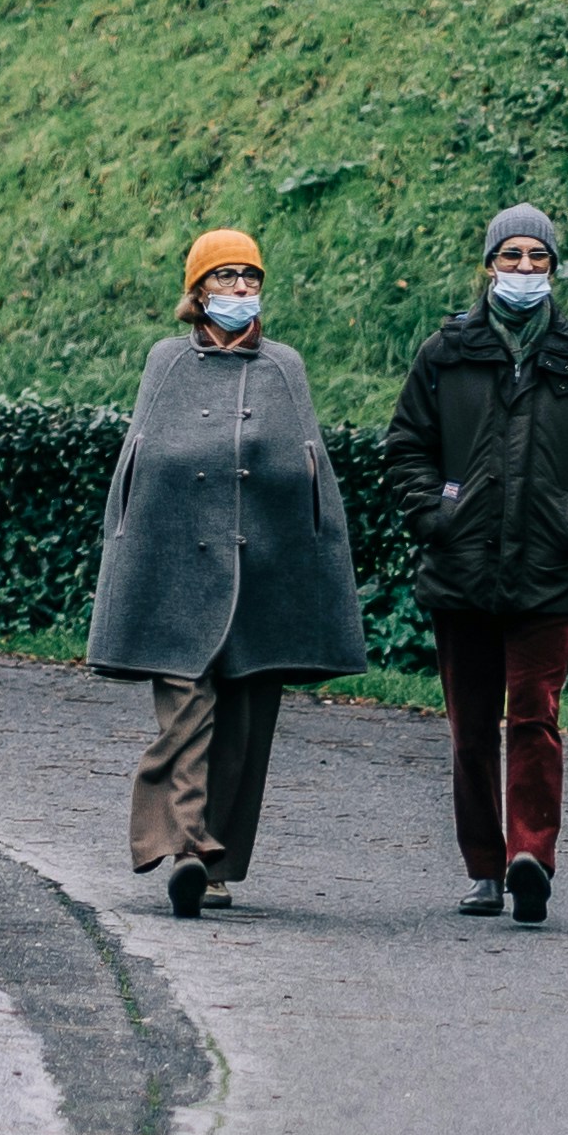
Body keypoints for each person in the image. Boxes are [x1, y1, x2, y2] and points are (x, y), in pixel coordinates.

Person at [85, 226, 370, 918]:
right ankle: (185, 848)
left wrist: (312, 565)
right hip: (177, 575)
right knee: (185, 714)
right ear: (199, 290)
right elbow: (139, 468)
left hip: (262, 577)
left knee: (244, 728)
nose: (241, 289)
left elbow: (310, 476)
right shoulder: (166, 364)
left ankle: (216, 864)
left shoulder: (284, 368)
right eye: (226, 277)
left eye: (251, 277)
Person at [380, 204, 568, 927]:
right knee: (470, 730)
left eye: (538, 258)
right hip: (461, 571)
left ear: (554, 269)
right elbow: (406, 445)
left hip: (546, 574)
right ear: (489, 264)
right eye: (512, 256)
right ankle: (483, 868)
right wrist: (436, 513)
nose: (525, 269)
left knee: (534, 717)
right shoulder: (446, 351)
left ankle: (531, 857)